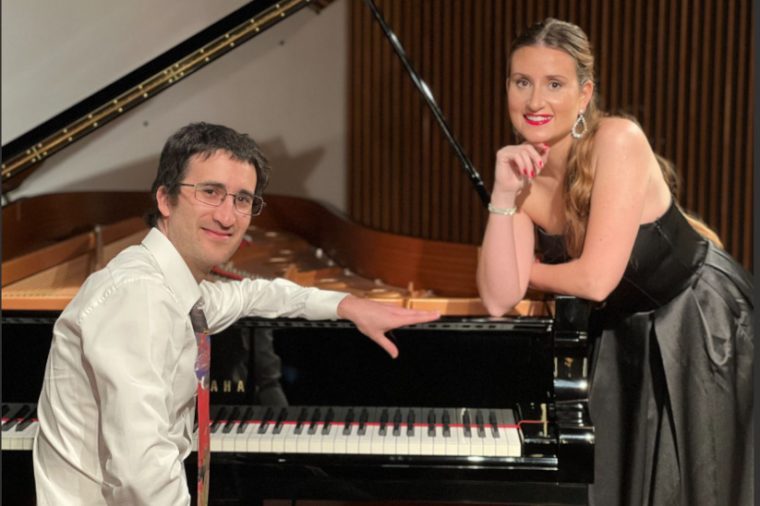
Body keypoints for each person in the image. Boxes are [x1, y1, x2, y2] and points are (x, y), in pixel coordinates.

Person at [32, 121, 440, 505]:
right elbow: (142, 474)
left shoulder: (179, 290)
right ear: (165, 199)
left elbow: (251, 294)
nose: (227, 217)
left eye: (242, 199)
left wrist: (344, 304)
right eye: (210, 192)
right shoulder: (137, 297)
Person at [476, 18, 753, 506]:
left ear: (584, 95)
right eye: (522, 82)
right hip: (621, 336)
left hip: (700, 323)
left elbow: (596, 280)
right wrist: (501, 193)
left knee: (704, 485)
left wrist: (526, 273)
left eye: (554, 84)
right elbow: (498, 299)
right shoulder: (520, 175)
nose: (535, 101)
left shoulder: (617, 140)